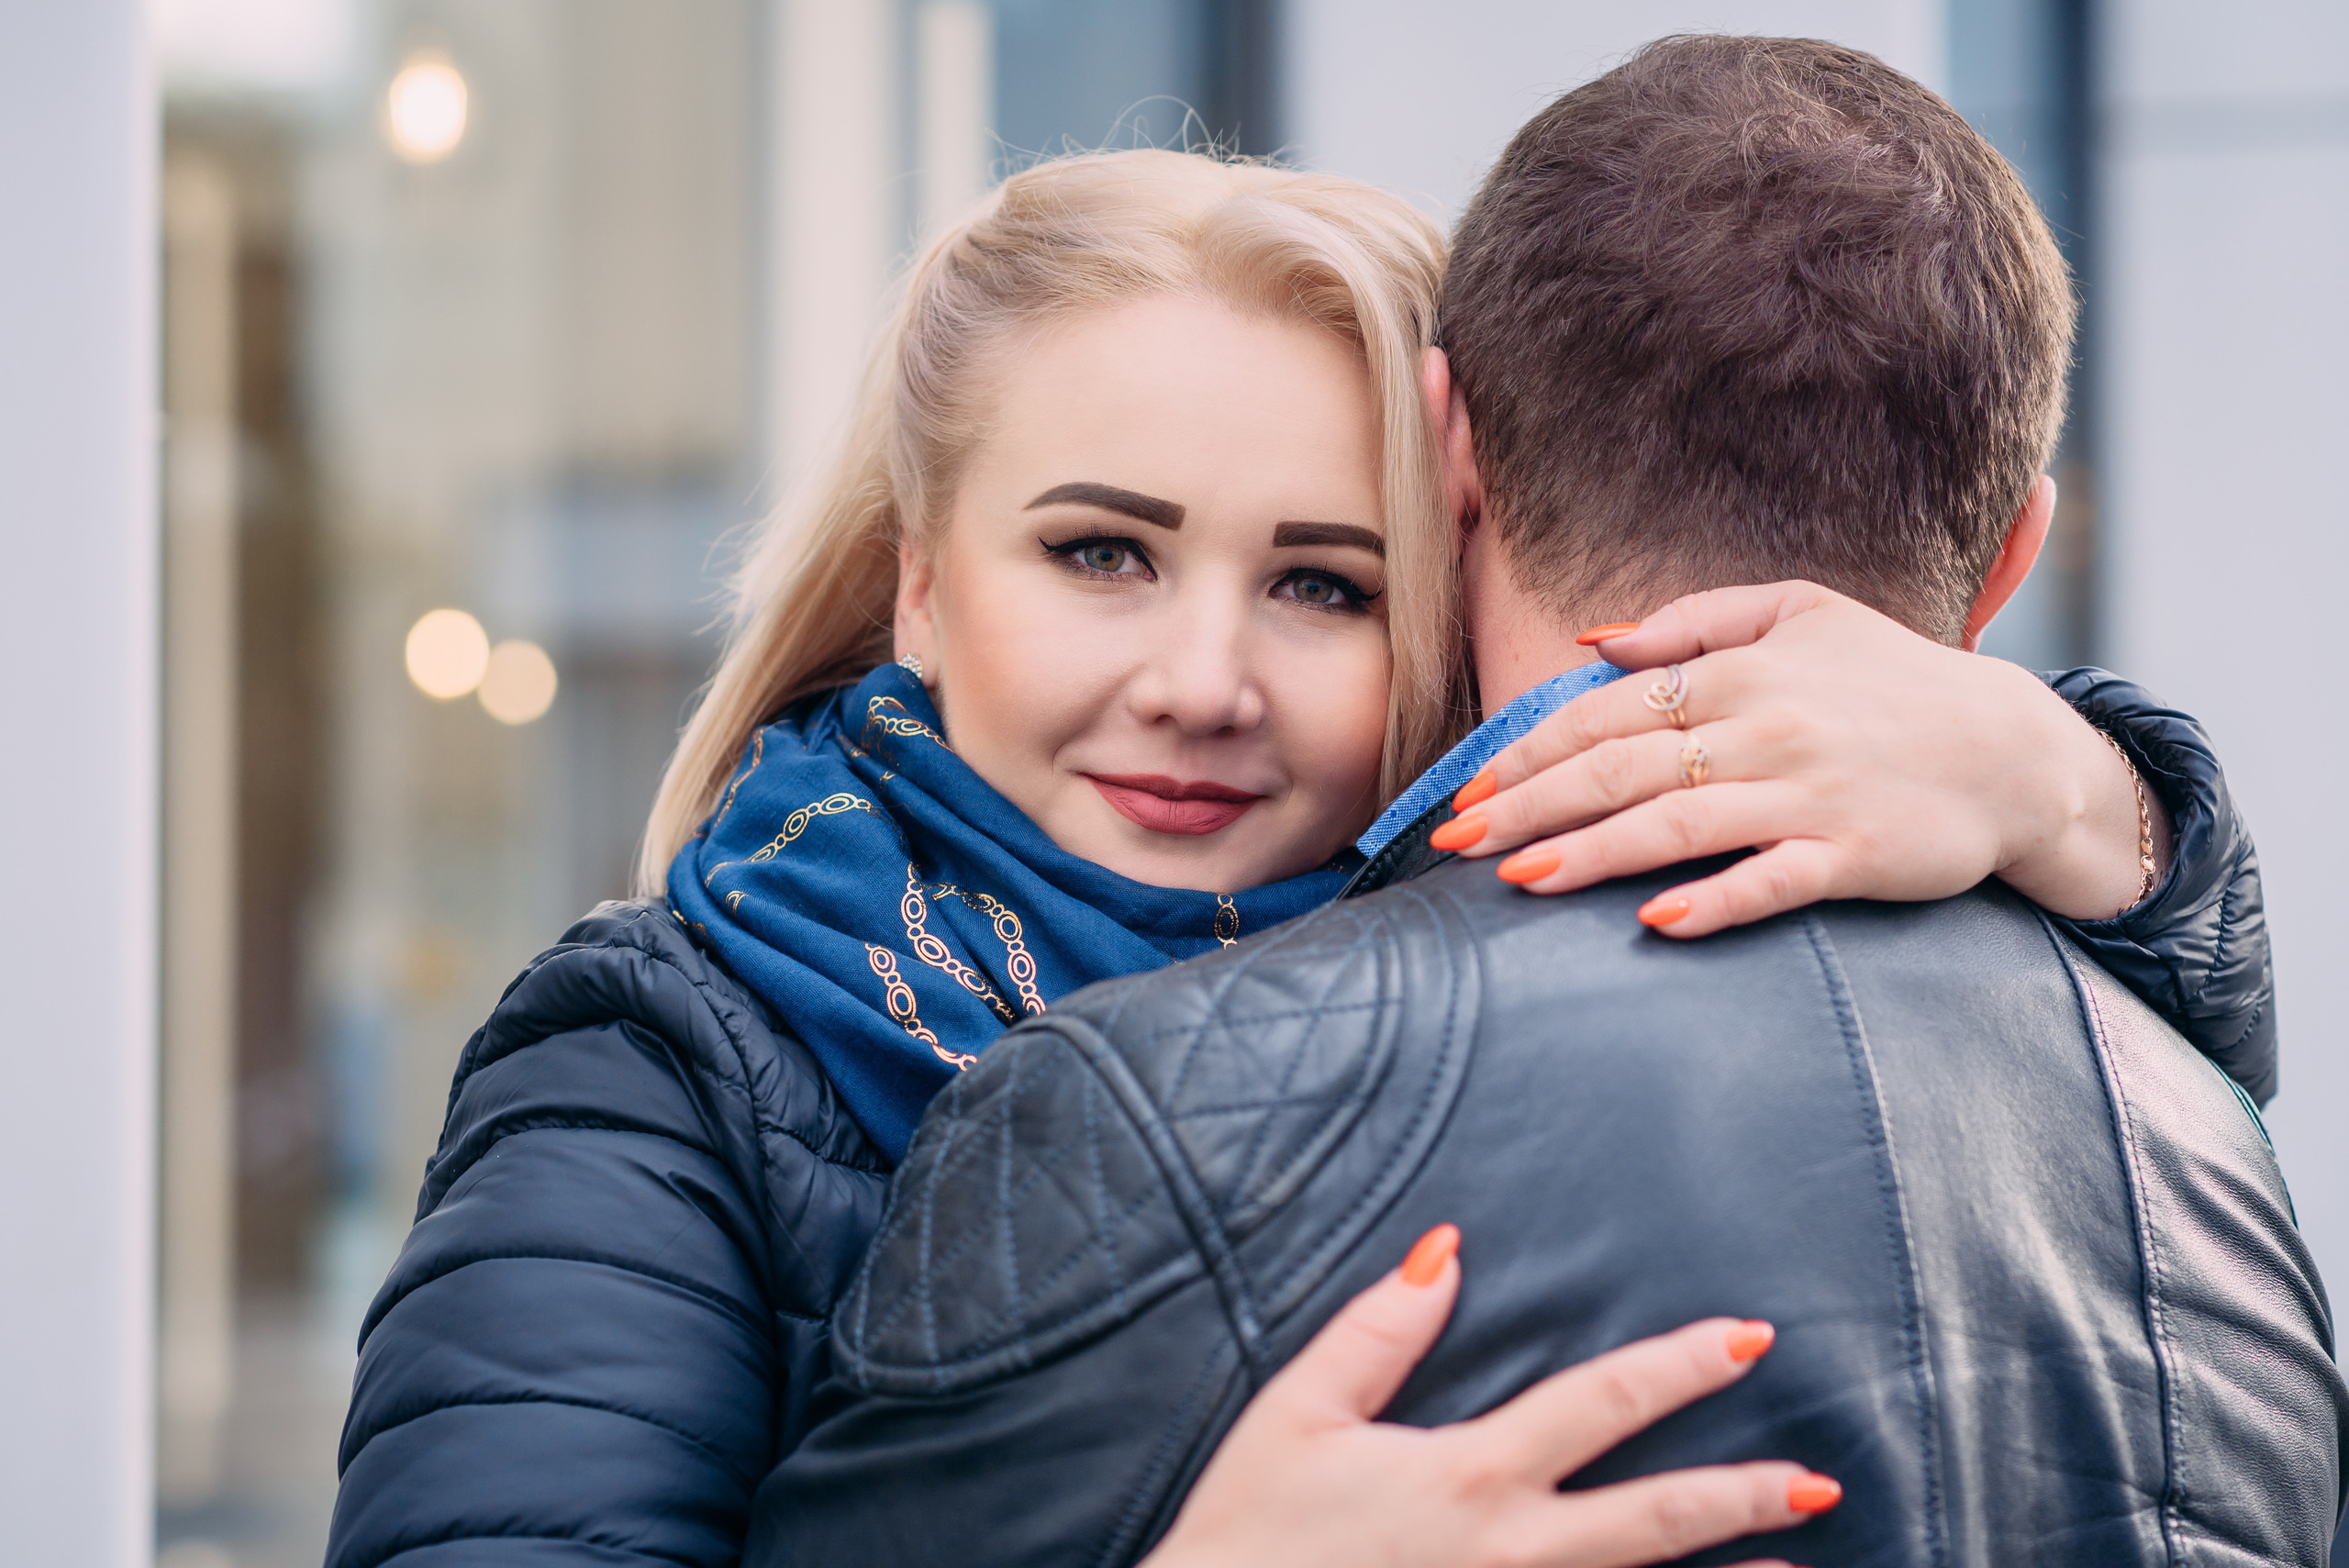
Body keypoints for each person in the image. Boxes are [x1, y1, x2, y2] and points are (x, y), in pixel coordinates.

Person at [326, 123, 2278, 1568]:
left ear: (1447, 591)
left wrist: (2065, 786)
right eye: (1100, 552)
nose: (1201, 679)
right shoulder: (657, 1072)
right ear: (919, 587)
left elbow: (2167, 1083)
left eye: (1321, 588)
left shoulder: (1494, 985)